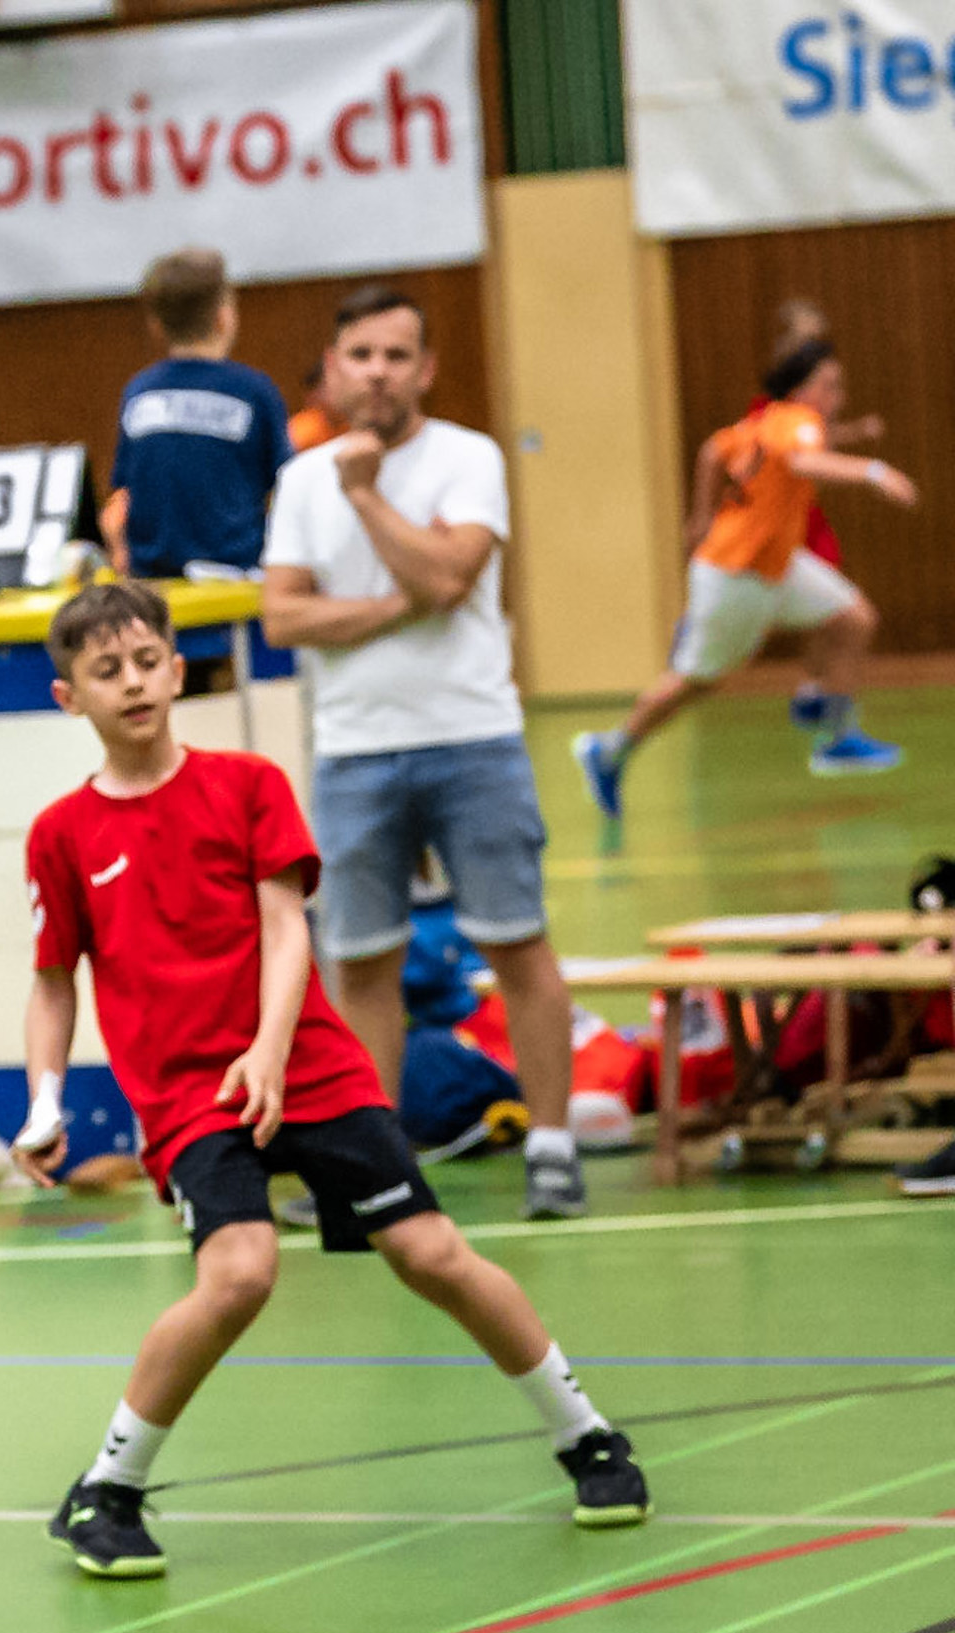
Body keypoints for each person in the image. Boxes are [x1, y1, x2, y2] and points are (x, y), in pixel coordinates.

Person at [14, 582, 649, 1579]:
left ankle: (589, 1437)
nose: (131, 683)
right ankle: (107, 1488)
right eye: (106, 671)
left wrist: (269, 1049)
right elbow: (54, 981)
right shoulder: (62, 833)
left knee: (432, 1252)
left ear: (176, 672)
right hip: (187, 1096)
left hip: (307, 1064)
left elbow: (286, 930)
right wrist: (45, 1101)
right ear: (70, 697)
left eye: (146, 662)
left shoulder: (248, 784)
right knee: (240, 1273)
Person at [261, 285, 588, 1221]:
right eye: (360, 355)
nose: (377, 373)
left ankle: (553, 1149)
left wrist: (366, 496)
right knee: (362, 964)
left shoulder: (467, 458)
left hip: (472, 737)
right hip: (355, 751)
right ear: (333, 369)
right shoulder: (301, 478)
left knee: (516, 942)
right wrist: (396, 604)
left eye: (396, 356)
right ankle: (376, 1169)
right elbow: (283, 615)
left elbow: (451, 577)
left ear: (427, 369)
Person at [573, 338, 917, 811]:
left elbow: (712, 451)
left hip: (777, 562)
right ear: (801, 390)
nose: (838, 396)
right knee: (696, 681)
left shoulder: (764, 422)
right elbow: (802, 460)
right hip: (737, 573)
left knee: (853, 618)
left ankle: (833, 731)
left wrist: (700, 516)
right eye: (829, 386)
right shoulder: (798, 420)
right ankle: (608, 750)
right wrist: (874, 472)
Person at [96, 247, 292, 582]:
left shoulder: (140, 393)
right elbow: (288, 483)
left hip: (152, 581)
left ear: (156, 325)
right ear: (223, 317)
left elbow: (124, 492)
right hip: (235, 579)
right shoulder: (254, 392)